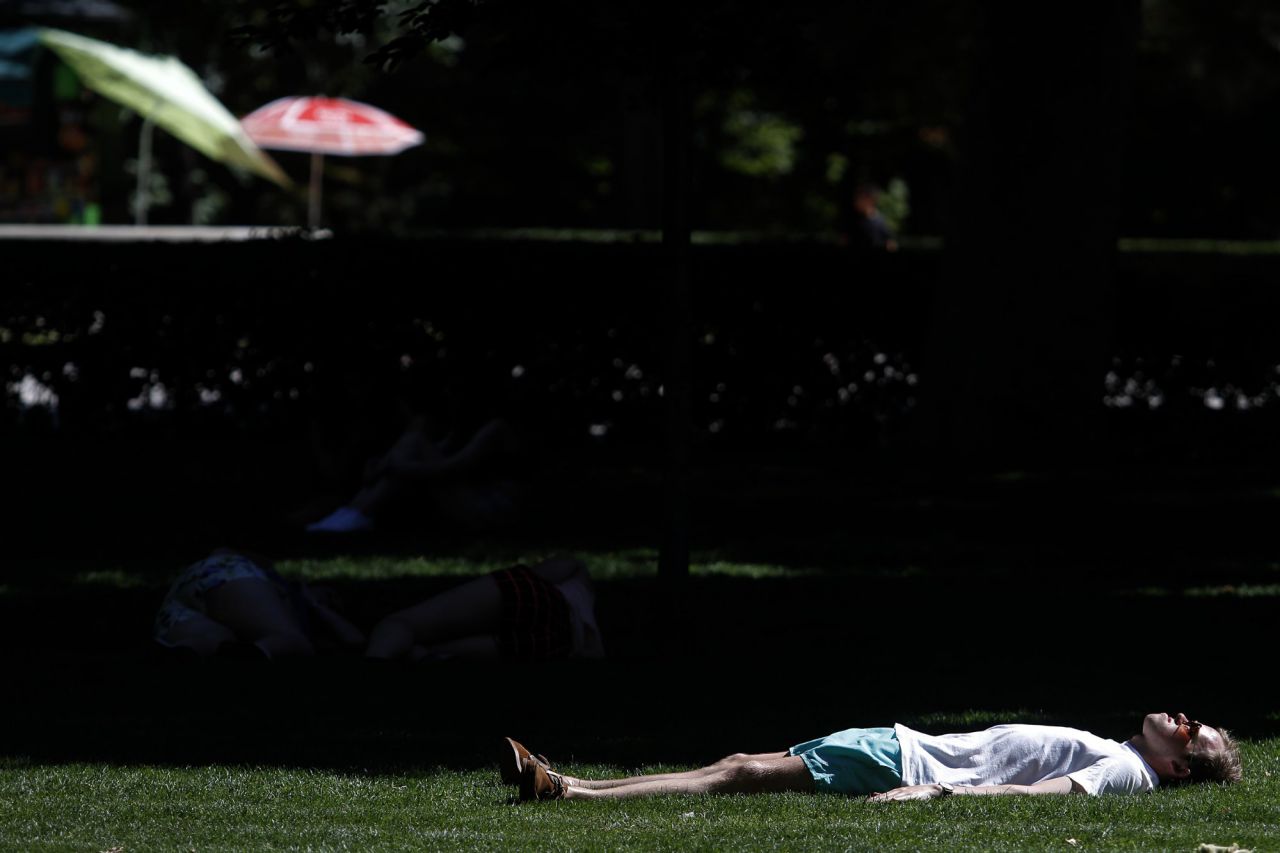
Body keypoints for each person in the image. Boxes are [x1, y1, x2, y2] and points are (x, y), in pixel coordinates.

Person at [507, 712, 1242, 802]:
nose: (1182, 721)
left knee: (739, 773)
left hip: (907, 764)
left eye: (1191, 734)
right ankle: (569, 780)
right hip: (901, 745)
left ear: (1178, 767)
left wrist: (938, 793)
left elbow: (1046, 794)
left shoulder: (1127, 772)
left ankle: (567, 790)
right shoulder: (1126, 752)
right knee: (735, 760)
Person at [364, 556, 604, 662]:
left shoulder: (577, 574)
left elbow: (549, 570)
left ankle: (373, 667)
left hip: (535, 596)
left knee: (403, 624)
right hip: (552, 646)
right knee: (428, 649)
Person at [153, 549, 365, 659]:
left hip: (184, 598)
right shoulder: (285, 589)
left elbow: (355, 641)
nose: (329, 599)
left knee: (215, 643)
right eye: (329, 593)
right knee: (293, 642)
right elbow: (227, 552)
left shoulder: (308, 618)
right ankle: (254, 657)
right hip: (223, 571)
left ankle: (183, 652)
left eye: (335, 604)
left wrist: (319, 607)